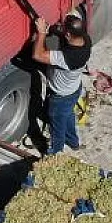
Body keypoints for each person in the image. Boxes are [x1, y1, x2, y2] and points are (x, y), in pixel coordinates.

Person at [31, 11, 91, 154]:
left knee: (57, 127)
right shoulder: (85, 40)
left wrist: (41, 33)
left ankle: (55, 152)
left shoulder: (68, 58)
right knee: (68, 116)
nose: (62, 31)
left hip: (61, 96)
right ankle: (73, 142)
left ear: (69, 35)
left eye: (64, 30)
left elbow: (37, 55)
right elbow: (63, 35)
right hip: (74, 90)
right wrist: (55, 29)